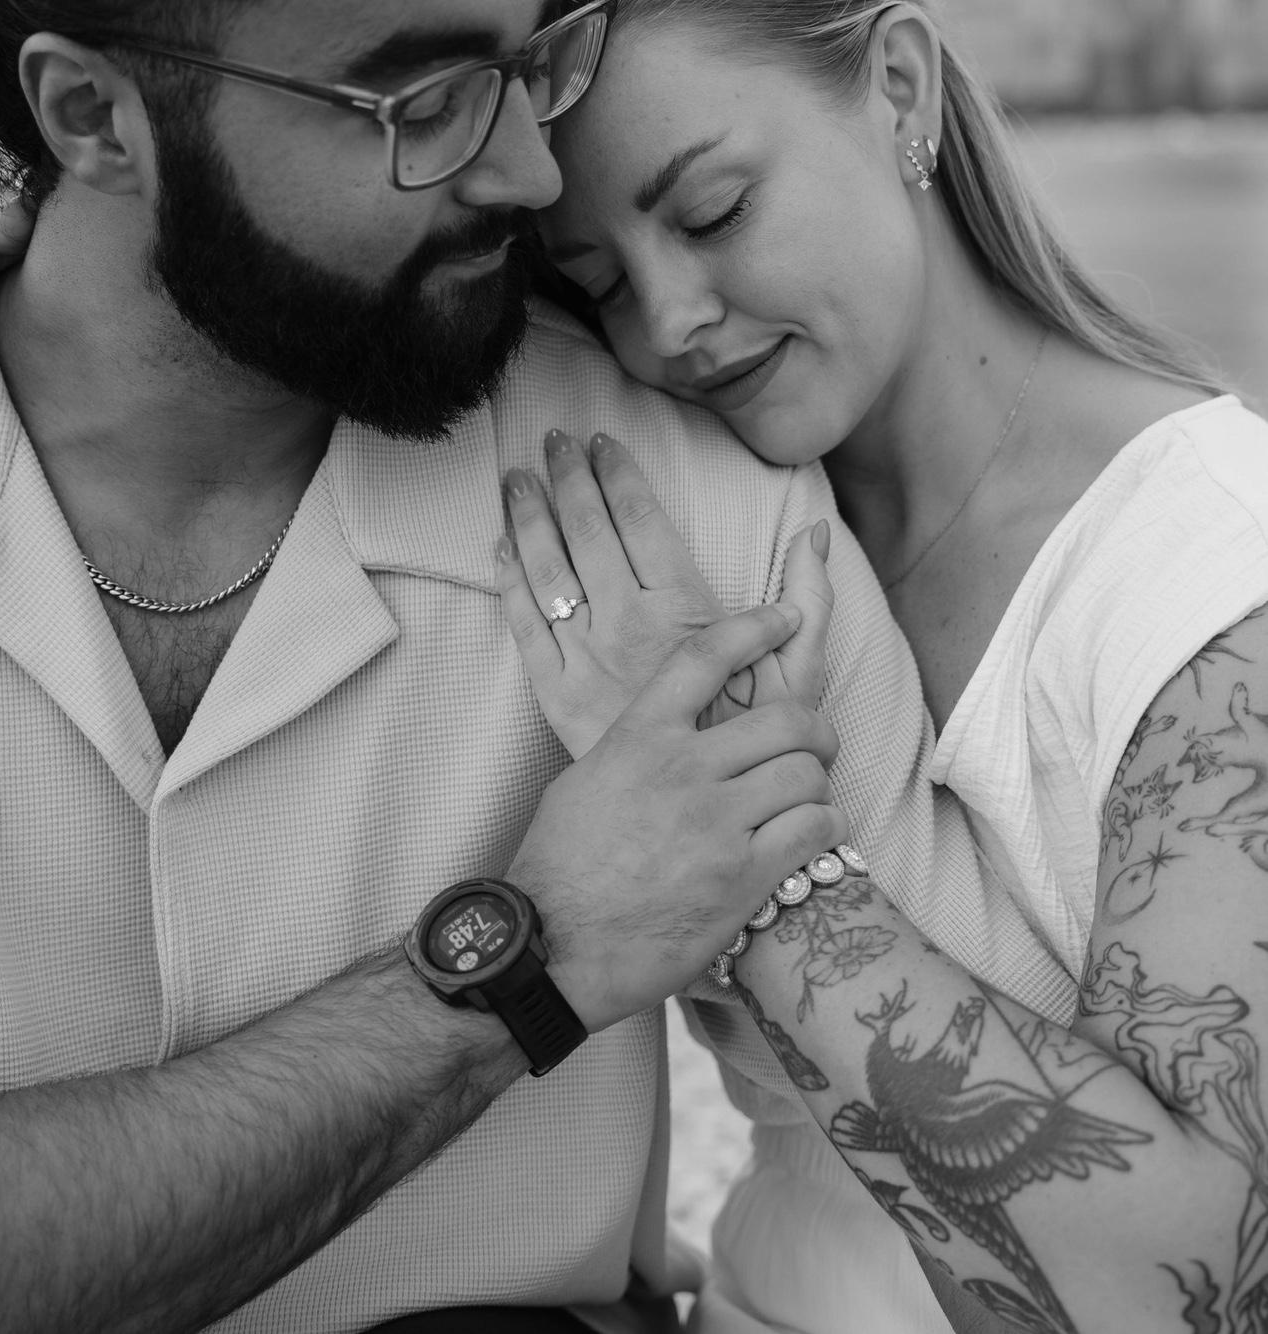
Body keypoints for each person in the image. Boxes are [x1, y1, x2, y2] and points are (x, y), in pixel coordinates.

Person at [0, 1, 1000, 1330]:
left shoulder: (676, 511)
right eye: (424, 105)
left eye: (530, 65)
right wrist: (521, 962)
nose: (534, 173)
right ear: (94, 117)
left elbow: (922, 1192)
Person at [487, 1, 1268, 1331]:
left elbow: (1190, 1286)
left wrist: (746, 851)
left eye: (716, 212)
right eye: (600, 283)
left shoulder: (1209, 574)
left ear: (899, 89)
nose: (668, 321)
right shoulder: (698, 534)